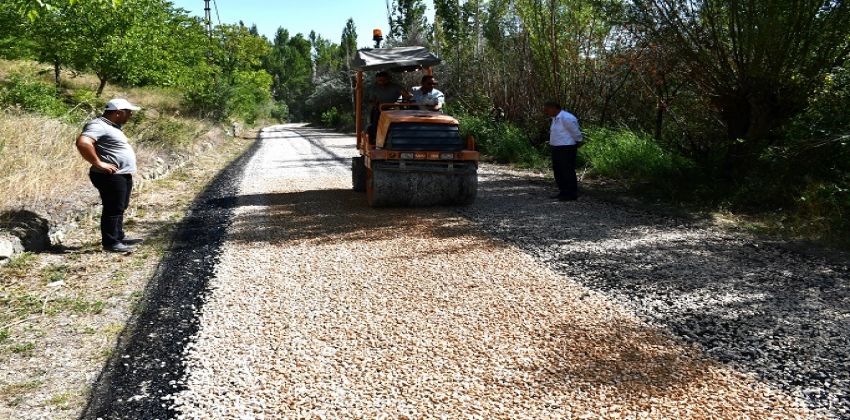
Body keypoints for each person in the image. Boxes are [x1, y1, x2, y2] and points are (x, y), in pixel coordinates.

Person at [76, 98, 143, 253]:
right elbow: (83, 142)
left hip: (121, 174)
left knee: (120, 206)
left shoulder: (112, 126)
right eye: (128, 112)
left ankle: (118, 236)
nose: (131, 115)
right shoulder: (98, 125)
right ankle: (111, 243)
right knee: (113, 208)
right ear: (118, 113)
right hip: (109, 176)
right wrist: (99, 163)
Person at [544, 101, 583, 201]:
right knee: (558, 171)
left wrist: (578, 142)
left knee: (567, 171)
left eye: (547, 109)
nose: (546, 111)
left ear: (554, 108)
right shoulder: (555, 118)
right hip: (557, 148)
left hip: (566, 148)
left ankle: (571, 194)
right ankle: (563, 192)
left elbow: (576, 132)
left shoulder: (566, 118)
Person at [367, 71, 407, 141]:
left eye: (384, 80)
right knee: (375, 118)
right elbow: (372, 100)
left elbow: (407, 95)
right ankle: (375, 137)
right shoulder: (374, 88)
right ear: (377, 80)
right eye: (380, 80)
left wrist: (406, 98)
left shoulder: (396, 87)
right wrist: (375, 104)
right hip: (380, 109)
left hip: (395, 109)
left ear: (389, 79)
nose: (382, 82)